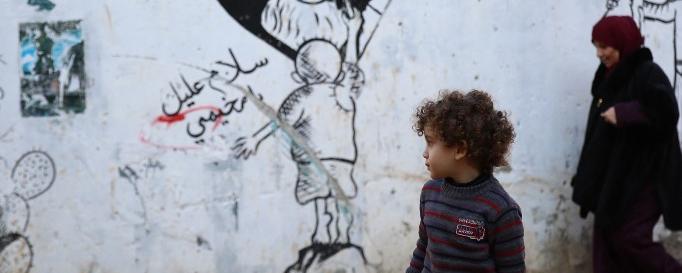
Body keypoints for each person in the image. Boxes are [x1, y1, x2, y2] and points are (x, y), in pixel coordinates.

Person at [571, 15, 682, 273]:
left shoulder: (647, 72)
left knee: (629, 238)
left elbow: (667, 111)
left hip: (645, 177)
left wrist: (625, 113)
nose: (599, 53)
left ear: (623, 42)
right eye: (596, 46)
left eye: (605, 46)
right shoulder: (609, 75)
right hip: (613, 178)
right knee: (606, 241)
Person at [406, 90, 525, 273]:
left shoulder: (501, 211)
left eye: (430, 142)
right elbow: (423, 248)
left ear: (460, 149)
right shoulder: (430, 193)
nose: (425, 153)